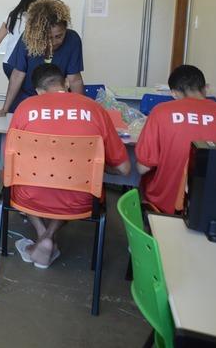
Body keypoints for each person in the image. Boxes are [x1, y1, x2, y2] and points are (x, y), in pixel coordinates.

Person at [7, 64, 129, 268]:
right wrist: (93, 168)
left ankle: (42, 236)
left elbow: (11, 160)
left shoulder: (24, 108)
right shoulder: (94, 109)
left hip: (28, 195)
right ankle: (49, 236)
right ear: (65, 83)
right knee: (74, 185)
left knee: (24, 179)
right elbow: (125, 169)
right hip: (81, 199)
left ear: (38, 91)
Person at [135, 65, 216, 214]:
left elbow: (142, 168)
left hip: (166, 206)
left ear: (173, 92)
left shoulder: (161, 112)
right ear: (205, 88)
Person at [0, 0, 85, 120]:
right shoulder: (27, 38)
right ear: (37, 35)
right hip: (28, 96)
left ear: (65, 29)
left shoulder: (73, 40)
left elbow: (75, 79)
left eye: (59, 36)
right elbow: (17, 75)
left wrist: (82, 110)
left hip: (59, 99)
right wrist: (4, 109)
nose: (54, 42)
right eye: (47, 38)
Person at [0, 0, 45, 78]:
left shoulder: (12, 16)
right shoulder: (41, 19)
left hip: (8, 63)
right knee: (27, 91)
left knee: (15, 90)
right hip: (28, 64)